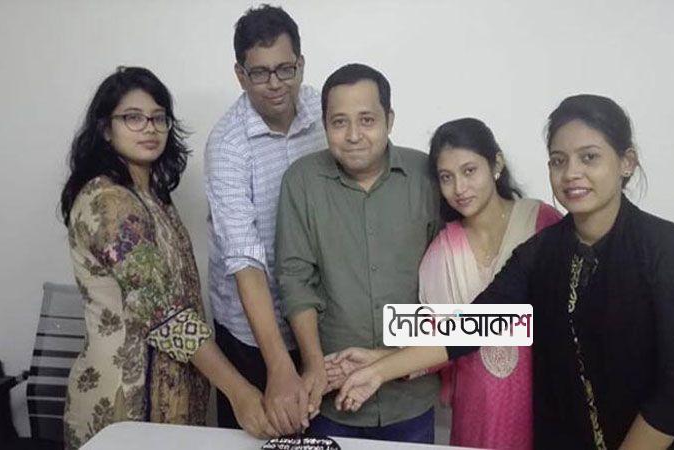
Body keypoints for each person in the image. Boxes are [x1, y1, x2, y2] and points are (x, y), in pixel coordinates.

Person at [336, 95, 674, 449]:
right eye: (558, 160)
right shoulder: (542, 252)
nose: (571, 173)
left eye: (589, 157)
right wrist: (379, 369)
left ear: (626, 161)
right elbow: (474, 324)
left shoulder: (667, 249)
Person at [59, 66, 278, 449]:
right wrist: (239, 391)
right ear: (105, 129)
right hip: (124, 406)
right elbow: (166, 315)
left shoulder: (153, 196)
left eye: (158, 118)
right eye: (133, 117)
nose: (150, 128)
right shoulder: (109, 202)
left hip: (172, 400)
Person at [325, 117, 561, 449]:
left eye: (469, 171)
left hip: (542, 403)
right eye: (446, 177)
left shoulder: (542, 223)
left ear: (496, 164)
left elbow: (551, 320)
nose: (459, 188)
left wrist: (382, 368)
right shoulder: (441, 252)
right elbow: (443, 338)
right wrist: (377, 358)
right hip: (477, 412)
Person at [275, 63, 440, 443]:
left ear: (389, 120)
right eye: (339, 122)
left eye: (367, 120)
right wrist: (314, 365)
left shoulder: (427, 175)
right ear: (324, 125)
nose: (353, 136)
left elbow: (446, 282)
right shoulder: (301, 181)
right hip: (331, 392)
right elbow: (295, 280)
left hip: (410, 396)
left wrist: (396, 360)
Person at [204, 4, 326, 435]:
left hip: (315, 317)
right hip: (253, 333)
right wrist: (278, 365)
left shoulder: (323, 113)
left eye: (285, 69)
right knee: (262, 434)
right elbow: (246, 262)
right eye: (260, 73)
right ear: (240, 75)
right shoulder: (228, 146)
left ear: (301, 64)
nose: (275, 84)